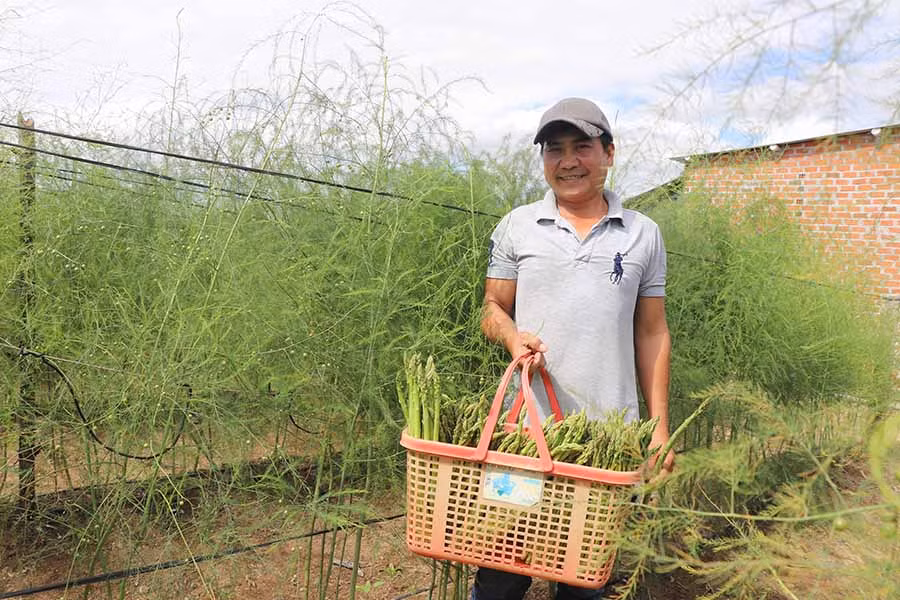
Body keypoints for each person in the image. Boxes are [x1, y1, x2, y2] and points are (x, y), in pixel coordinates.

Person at [475, 97, 675, 600]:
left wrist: (659, 428)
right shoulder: (517, 225)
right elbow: (491, 308)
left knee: (586, 583)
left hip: (608, 442)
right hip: (523, 438)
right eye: (554, 150)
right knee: (500, 572)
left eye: (581, 147)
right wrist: (510, 334)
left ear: (608, 153)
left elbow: (652, 332)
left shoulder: (643, 234)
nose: (567, 161)